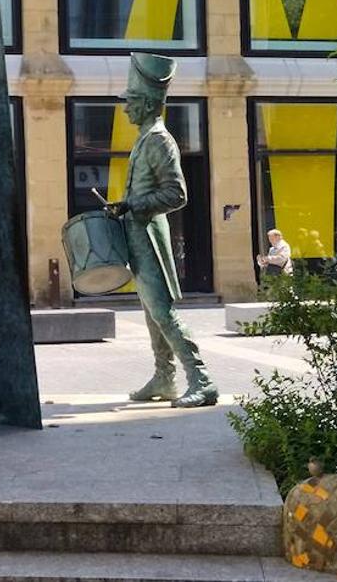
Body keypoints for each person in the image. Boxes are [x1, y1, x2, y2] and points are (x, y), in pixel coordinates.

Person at [105, 53, 217, 409]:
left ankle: (202, 379)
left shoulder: (158, 140)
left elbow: (177, 193)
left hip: (150, 237)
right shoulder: (144, 138)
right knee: (151, 312)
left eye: (132, 102)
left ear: (150, 103)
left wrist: (133, 206)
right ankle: (164, 376)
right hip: (139, 235)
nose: (126, 109)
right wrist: (125, 205)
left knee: (162, 311)